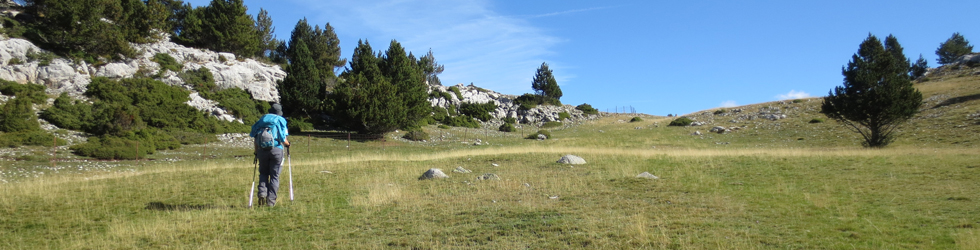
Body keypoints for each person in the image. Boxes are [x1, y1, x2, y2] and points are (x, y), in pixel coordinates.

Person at [250, 103, 290, 207]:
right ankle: (271, 202)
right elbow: (283, 138)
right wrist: (288, 144)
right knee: (274, 176)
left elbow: (254, 136)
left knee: (263, 173)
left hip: (262, 150)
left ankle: (262, 193)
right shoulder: (280, 120)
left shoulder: (262, 120)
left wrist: (256, 151)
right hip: (276, 150)